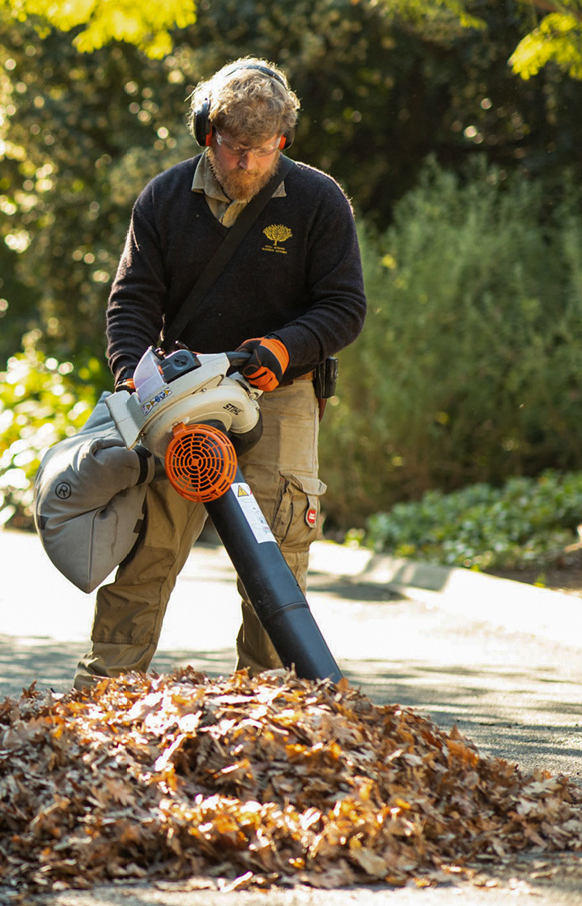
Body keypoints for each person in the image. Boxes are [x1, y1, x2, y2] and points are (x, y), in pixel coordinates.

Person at [74, 57, 367, 689]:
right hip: (184, 396)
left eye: (264, 151)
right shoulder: (164, 199)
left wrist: (284, 350)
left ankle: (268, 702)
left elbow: (344, 307)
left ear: (282, 140)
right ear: (209, 133)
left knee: (277, 562)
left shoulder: (318, 200)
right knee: (148, 551)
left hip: (279, 392)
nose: (249, 165)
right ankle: (102, 693)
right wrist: (135, 374)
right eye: (236, 150)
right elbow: (132, 303)